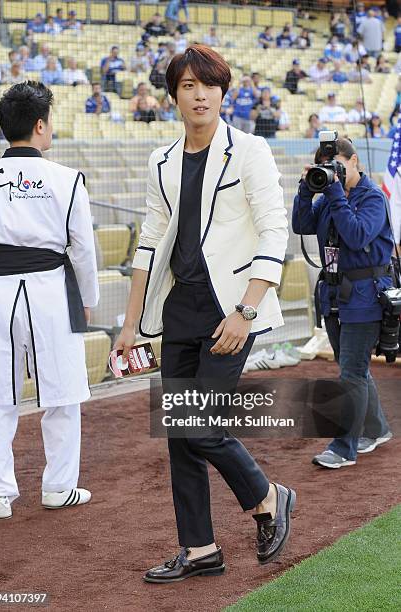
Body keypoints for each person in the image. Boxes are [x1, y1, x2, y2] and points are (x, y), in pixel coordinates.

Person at [113, 44, 294, 582]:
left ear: (223, 92)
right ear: (174, 95)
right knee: (181, 433)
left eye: (209, 85)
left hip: (231, 310)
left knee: (203, 427)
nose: (200, 95)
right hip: (180, 310)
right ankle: (200, 550)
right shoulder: (161, 161)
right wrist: (129, 322)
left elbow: (274, 231)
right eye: (189, 86)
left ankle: (267, 496)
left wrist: (245, 309)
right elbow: (148, 242)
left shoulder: (250, 151)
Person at [0, 81, 99, 518]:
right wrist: (88, 297)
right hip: (52, 290)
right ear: (39, 125)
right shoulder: (67, 179)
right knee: (63, 392)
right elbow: (83, 248)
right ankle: (58, 487)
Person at [292, 137, 393, 469]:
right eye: (327, 165)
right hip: (335, 295)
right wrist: (307, 189)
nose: (333, 172)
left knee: (351, 372)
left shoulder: (373, 198)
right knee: (354, 369)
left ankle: (343, 447)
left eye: (338, 164)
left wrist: (334, 192)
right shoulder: (328, 198)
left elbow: (357, 235)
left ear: (355, 163)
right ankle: (376, 430)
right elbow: (302, 224)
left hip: (365, 297)